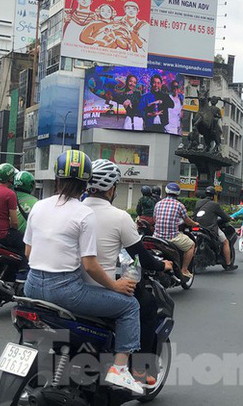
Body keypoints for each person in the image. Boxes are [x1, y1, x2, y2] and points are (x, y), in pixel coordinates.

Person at [23, 150, 144, 394]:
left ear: (57, 178)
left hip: (31, 285)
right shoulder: (83, 213)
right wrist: (116, 286)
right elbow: (89, 265)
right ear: (86, 182)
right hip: (66, 291)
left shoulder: (39, 206)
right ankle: (120, 370)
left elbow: (28, 252)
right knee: (130, 307)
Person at [83, 160, 173, 387]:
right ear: (112, 188)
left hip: (72, 284)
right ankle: (139, 369)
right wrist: (164, 266)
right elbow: (142, 257)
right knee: (147, 305)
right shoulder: (119, 216)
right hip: (103, 284)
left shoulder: (74, 210)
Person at [153, 182, 200, 280]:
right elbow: (187, 221)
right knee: (191, 245)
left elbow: (154, 219)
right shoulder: (180, 206)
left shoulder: (158, 204)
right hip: (172, 237)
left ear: (166, 191)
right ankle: (184, 269)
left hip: (156, 237)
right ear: (178, 193)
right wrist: (195, 224)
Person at [194, 186, 237, 271]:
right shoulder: (214, 204)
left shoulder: (198, 203)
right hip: (210, 228)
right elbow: (224, 216)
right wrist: (230, 218)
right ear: (214, 195)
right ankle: (228, 264)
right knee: (225, 242)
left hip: (198, 227)